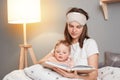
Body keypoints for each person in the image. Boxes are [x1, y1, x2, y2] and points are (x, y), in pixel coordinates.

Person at [39, 7, 99, 80]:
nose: (74, 30)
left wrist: (75, 76)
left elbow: (94, 75)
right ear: (67, 26)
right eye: (71, 26)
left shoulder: (90, 43)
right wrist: (54, 61)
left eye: (78, 27)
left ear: (83, 28)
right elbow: (41, 62)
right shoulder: (64, 45)